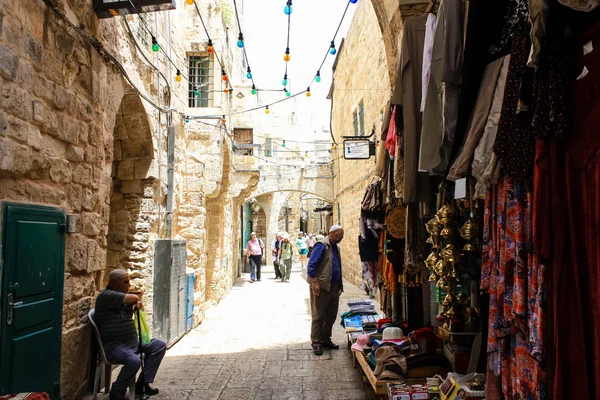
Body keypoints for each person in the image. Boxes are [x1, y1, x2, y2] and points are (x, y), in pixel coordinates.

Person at [94, 269, 166, 400]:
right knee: (134, 361)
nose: (129, 285)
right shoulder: (106, 296)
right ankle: (117, 391)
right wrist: (136, 300)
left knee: (159, 346)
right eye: (125, 282)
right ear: (115, 284)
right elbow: (134, 298)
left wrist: (136, 304)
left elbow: (134, 302)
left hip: (131, 341)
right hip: (114, 346)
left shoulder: (121, 297)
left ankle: (142, 385)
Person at [306, 225, 345, 356]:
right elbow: (311, 265)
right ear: (332, 233)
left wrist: (340, 286)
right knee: (318, 316)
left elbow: (337, 266)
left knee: (331, 316)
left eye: (342, 235)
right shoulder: (321, 245)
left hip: (333, 287)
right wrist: (315, 283)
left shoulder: (336, 248)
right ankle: (316, 342)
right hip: (322, 286)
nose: (342, 237)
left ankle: (325, 339)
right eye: (340, 235)